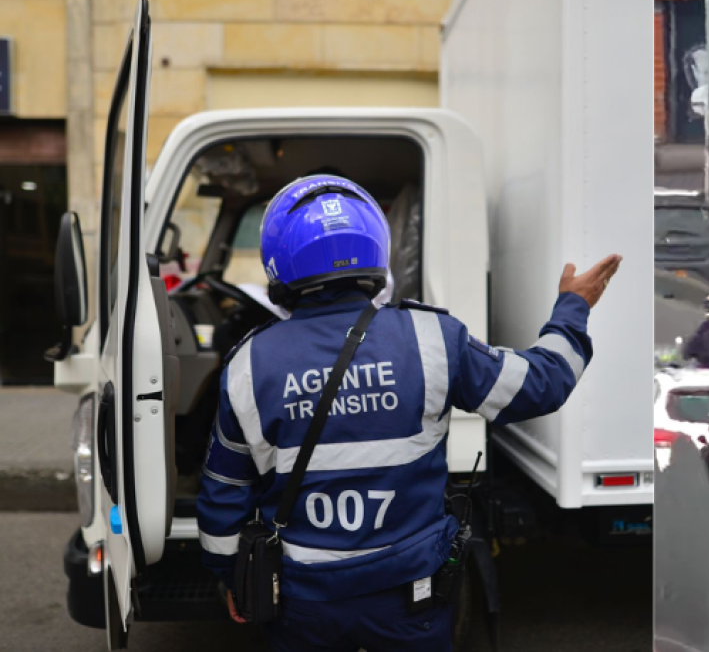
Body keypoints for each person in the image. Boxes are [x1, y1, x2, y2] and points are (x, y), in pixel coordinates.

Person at [196, 174, 621, 651]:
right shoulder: (432, 338)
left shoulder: (248, 365)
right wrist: (573, 308)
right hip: (411, 597)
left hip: (304, 603)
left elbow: (223, 495)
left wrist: (231, 575)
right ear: (375, 248)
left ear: (278, 262)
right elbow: (540, 385)